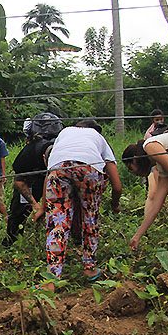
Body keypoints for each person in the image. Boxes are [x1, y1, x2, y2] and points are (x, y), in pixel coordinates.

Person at [41, 120, 122, 286]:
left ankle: (52, 277)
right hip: (89, 168)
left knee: (57, 224)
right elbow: (117, 186)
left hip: (58, 168)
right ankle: (89, 267)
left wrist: (44, 207)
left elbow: (49, 173)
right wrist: (114, 204)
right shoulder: (98, 137)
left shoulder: (64, 133)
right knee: (90, 218)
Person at [4, 113, 63, 246]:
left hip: (60, 179)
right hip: (32, 180)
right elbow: (19, 181)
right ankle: (12, 242)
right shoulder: (30, 151)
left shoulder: (65, 147)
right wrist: (35, 204)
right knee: (19, 212)